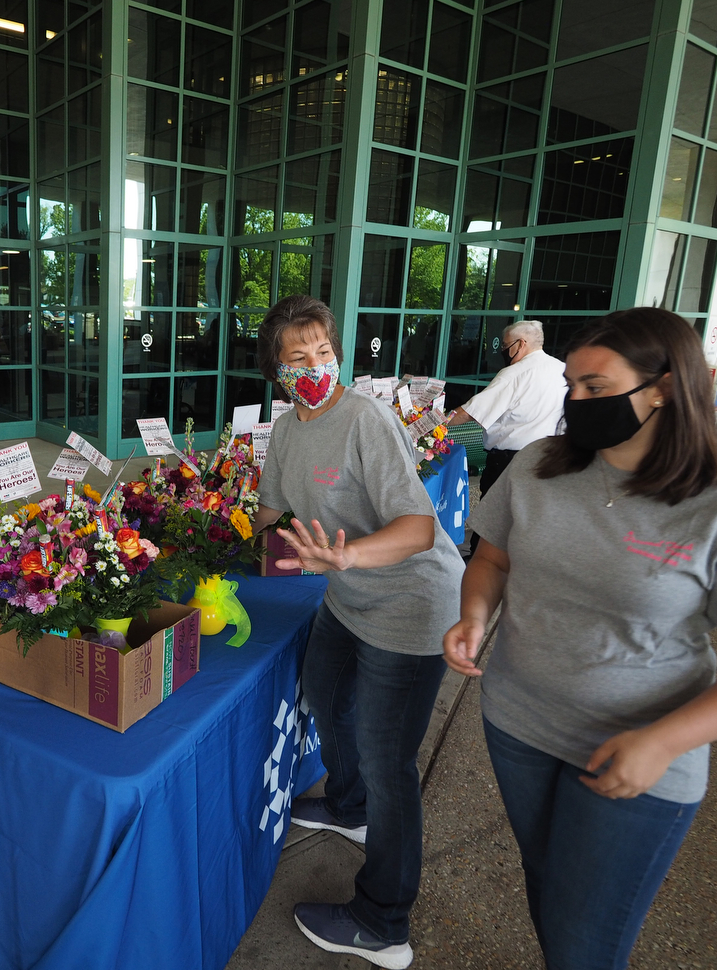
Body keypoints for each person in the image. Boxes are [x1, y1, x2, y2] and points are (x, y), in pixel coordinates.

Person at [443, 307, 717, 970]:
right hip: (517, 723)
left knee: (583, 938)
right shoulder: (539, 466)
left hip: (638, 753)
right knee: (550, 891)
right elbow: (492, 559)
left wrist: (664, 740)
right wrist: (474, 617)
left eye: (597, 387)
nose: (578, 402)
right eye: (573, 387)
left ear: (665, 389)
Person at [251, 295, 464, 970]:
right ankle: (346, 806)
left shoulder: (365, 419)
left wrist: (345, 557)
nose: (315, 366)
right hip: (347, 599)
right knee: (322, 687)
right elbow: (270, 514)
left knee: (387, 759)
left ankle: (383, 922)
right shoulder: (286, 431)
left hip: (411, 602)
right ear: (277, 373)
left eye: (323, 351)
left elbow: (419, 528)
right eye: (298, 357)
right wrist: (250, 543)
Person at [447, 320, 564, 552]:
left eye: (506, 345)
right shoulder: (562, 369)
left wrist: (429, 424)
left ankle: (480, 567)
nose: (503, 351)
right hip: (549, 457)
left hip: (510, 461)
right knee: (528, 519)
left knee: (493, 521)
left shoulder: (515, 373)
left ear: (521, 344)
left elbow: (472, 412)